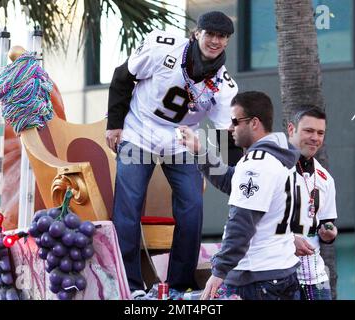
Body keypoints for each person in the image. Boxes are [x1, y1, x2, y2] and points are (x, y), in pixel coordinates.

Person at [105, 11, 238, 297]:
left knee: (192, 207)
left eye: (221, 36)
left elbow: (228, 135)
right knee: (128, 204)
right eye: (209, 34)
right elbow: (122, 75)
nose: (214, 41)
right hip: (139, 129)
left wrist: (242, 177)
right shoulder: (163, 48)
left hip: (181, 140)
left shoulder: (224, 86)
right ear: (196, 33)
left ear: (227, 41)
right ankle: (130, 286)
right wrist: (114, 125)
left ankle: (179, 284)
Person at [179, 91, 301, 300]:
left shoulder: (257, 163)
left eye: (235, 121)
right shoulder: (279, 156)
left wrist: (219, 272)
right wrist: (199, 150)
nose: (230, 127)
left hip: (257, 279)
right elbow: (231, 182)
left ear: (254, 123)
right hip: (281, 271)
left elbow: (242, 222)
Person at [287, 105, 338, 300]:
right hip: (277, 273)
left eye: (320, 132)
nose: (315, 138)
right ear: (291, 129)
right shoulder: (272, 166)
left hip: (315, 274)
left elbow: (327, 222)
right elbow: (253, 220)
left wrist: (330, 233)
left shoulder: (326, 178)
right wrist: (290, 240)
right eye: (308, 130)